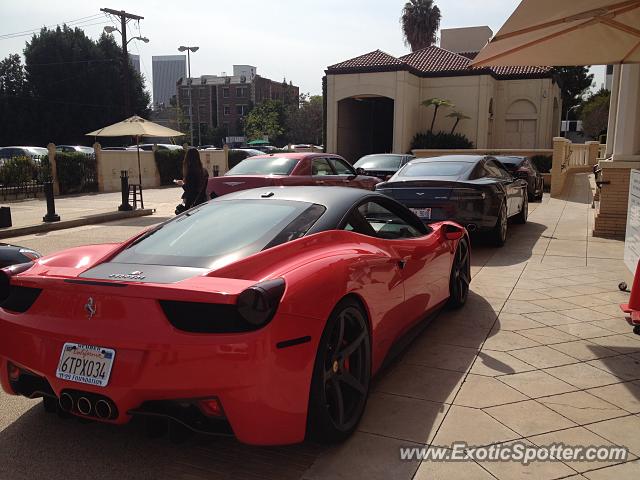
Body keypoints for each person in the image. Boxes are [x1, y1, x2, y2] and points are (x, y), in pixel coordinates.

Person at [174, 148, 209, 213]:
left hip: (191, 203)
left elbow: (190, 190)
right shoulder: (204, 171)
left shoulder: (191, 172)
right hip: (202, 201)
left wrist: (182, 184)